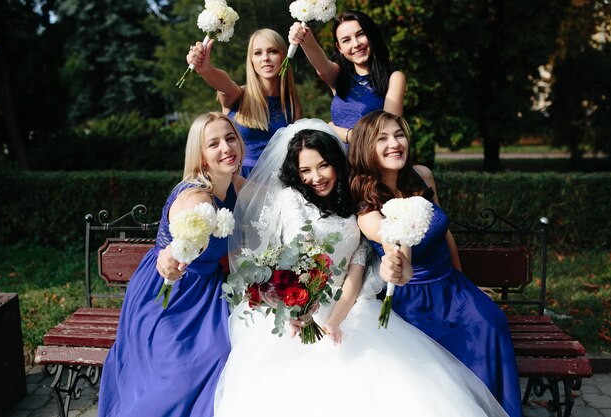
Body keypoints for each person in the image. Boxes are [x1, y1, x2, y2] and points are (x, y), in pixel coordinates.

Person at [213, 119, 510, 417]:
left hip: (351, 302)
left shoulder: (350, 200)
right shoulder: (293, 201)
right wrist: (302, 308)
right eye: (305, 170)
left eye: (323, 165)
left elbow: (357, 267)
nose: (316, 177)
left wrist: (336, 319)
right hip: (302, 305)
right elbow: (296, 254)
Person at [348, 110, 523, 417]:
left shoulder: (422, 176)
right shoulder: (367, 209)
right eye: (383, 138)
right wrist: (397, 260)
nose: (395, 143)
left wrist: (464, 283)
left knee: (491, 322)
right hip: (413, 298)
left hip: (452, 286)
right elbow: (395, 257)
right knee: (438, 355)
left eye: (399, 134)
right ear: (366, 147)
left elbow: (445, 233)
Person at [98, 112, 246, 417]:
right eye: (214, 143)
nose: (226, 148)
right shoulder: (197, 200)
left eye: (230, 138)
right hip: (170, 293)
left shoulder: (233, 183)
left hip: (207, 292)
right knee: (181, 372)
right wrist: (168, 259)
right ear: (201, 155)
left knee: (225, 356)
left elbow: (275, 197)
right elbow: (173, 250)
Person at [187, 28, 302, 176]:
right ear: (251, 60)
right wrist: (206, 69)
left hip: (276, 182)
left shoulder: (291, 103)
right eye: (258, 53)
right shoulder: (238, 94)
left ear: (284, 56)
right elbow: (224, 83)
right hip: (238, 180)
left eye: (272, 51)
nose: (265, 58)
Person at [288, 10, 405, 143]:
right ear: (339, 47)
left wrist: (336, 131)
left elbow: (388, 133)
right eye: (346, 40)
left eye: (360, 34)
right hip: (336, 158)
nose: (356, 44)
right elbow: (321, 64)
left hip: (370, 160)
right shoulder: (339, 76)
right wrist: (303, 37)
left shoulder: (394, 78)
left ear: (371, 35)